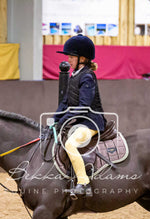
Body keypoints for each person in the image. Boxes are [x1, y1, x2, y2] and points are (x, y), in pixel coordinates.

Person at [54, 34, 106, 197]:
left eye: (71, 57)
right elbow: (65, 102)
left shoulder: (88, 76)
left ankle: (83, 183)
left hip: (92, 122)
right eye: (68, 57)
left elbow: (84, 107)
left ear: (82, 58)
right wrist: (55, 119)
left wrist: (64, 120)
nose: (68, 60)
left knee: (70, 144)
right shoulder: (74, 76)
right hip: (80, 121)